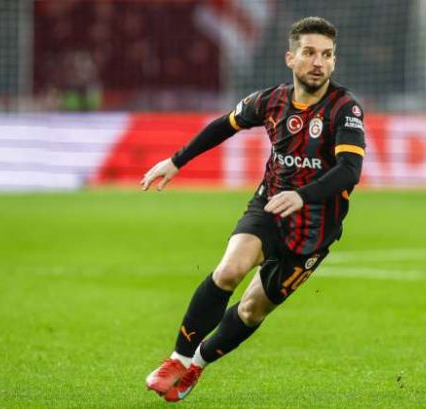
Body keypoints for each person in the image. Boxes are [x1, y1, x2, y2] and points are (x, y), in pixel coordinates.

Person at [140, 16, 365, 402]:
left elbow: (349, 170)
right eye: (309, 53)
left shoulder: (345, 109)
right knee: (229, 270)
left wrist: (303, 196)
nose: (318, 62)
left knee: (250, 311)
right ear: (290, 58)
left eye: (327, 55)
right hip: (269, 208)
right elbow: (224, 125)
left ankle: (196, 365)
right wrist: (177, 161)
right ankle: (177, 359)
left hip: (313, 231)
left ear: (334, 61)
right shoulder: (271, 100)